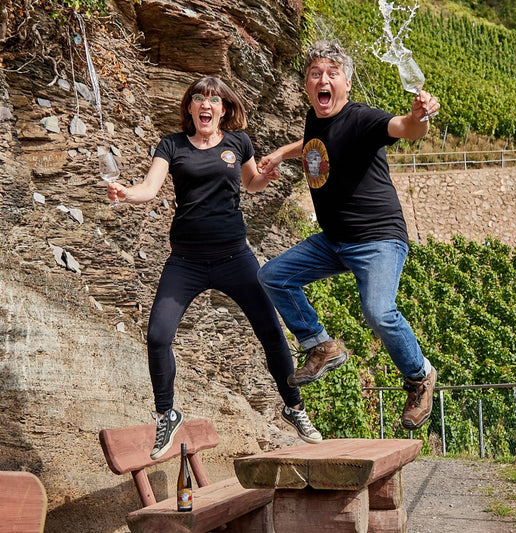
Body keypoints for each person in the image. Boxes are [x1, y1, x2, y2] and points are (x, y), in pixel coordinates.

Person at [107, 77, 322, 459]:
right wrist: (126, 194)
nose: (206, 104)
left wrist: (264, 179)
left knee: (272, 333)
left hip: (234, 258)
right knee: (158, 336)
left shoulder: (238, 142)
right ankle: (165, 415)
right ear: (190, 108)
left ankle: (294, 407)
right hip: (185, 262)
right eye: (199, 99)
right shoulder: (172, 145)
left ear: (224, 109)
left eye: (214, 99)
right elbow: (149, 188)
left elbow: (251, 181)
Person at [257, 41, 440, 431]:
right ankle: (321, 346)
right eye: (316, 74)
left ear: (348, 83)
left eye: (332, 73)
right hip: (334, 241)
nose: (323, 80)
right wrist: (280, 154)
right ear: (306, 84)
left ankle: (420, 376)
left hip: (377, 239)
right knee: (273, 276)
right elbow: (314, 146)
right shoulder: (314, 118)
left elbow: (404, 128)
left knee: (378, 311)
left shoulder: (361, 119)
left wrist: (419, 117)